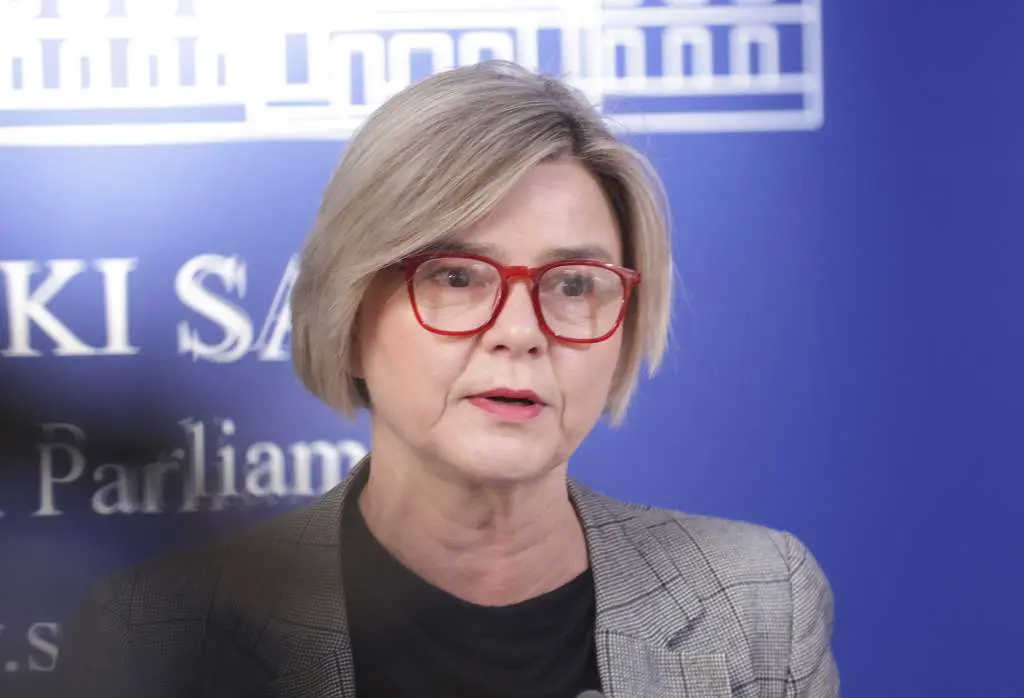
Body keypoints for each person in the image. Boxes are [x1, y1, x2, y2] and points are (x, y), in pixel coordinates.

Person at [58, 61, 839, 698]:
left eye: (574, 284)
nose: (521, 332)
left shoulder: (758, 602)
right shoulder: (156, 630)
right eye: (457, 276)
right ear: (349, 316)